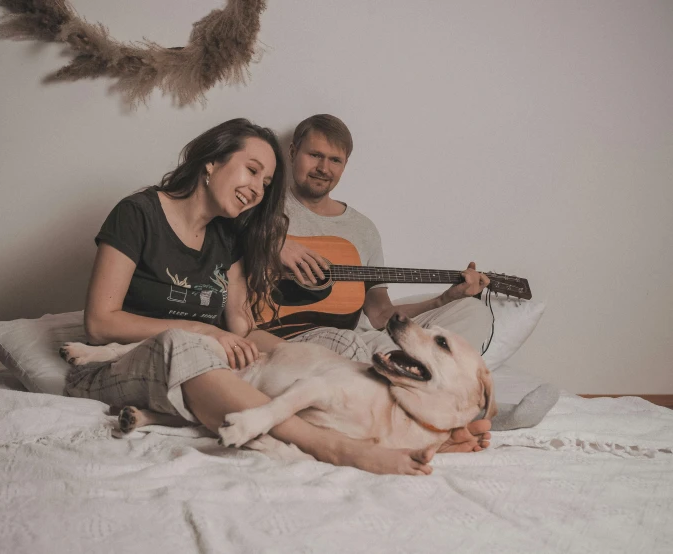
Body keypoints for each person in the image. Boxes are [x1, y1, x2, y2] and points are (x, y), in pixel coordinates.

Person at [64, 118, 457, 475]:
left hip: (201, 364)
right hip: (114, 365)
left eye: (266, 183)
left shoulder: (228, 235)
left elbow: (241, 327)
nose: (256, 189)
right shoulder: (138, 214)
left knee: (342, 342)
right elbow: (99, 323)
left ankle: (420, 426)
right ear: (211, 162)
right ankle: (336, 448)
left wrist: (315, 360)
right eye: (252, 171)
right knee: (184, 343)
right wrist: (202, 330)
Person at [279, 114, 494, 446]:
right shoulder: (264, 209)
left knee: (472, 311)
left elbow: (380, 315)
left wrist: (445, 299)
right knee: (354, 349)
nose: (324, 167)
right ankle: (455, 423)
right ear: (293, 152)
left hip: (361, 339)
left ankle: (456, 406)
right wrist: (276, 245)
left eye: (335, 160)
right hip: (300, 338)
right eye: (314, 155)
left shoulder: (362, 230)